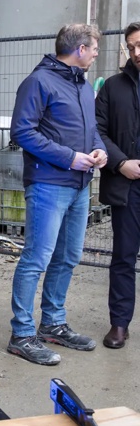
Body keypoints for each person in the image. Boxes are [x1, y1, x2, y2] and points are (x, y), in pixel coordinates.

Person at [7, 23, 108, 365]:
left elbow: (92, 129)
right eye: (93, 48)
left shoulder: (81, 86)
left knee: (67, 257)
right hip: (49, 185)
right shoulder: (39, 82)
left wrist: (97, 151)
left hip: (80, 186)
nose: (96, 53)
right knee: (37, 259)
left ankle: (53, 323)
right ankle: (21, 334)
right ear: (80, 49)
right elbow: (22, 130)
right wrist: (69, 157)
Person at [95, 22, 140, 349]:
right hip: (128, 186)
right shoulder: (113, 87)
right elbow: (97, 132)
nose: (136, 53)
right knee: (124, 255)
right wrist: (121, 163)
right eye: (131, 47)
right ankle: (119, 324)